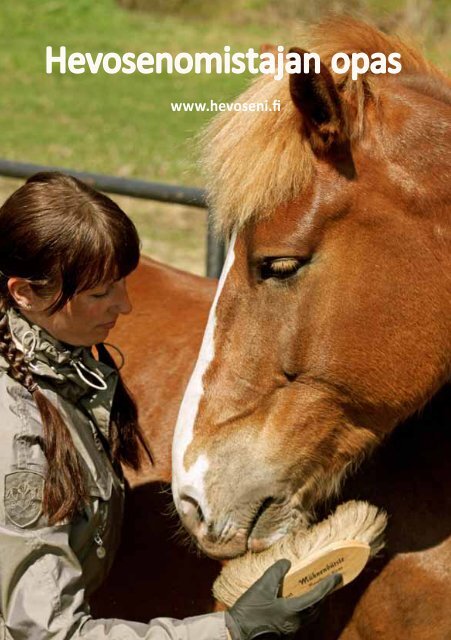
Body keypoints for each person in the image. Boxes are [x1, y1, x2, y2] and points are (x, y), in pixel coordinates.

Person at [0, 172, 340, 639]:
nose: (124, 306)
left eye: (121, 282)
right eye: (99, 293)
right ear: (24, 293)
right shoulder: (17, 438)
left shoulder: (65, 364)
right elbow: (48, 634)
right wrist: (232, 630)